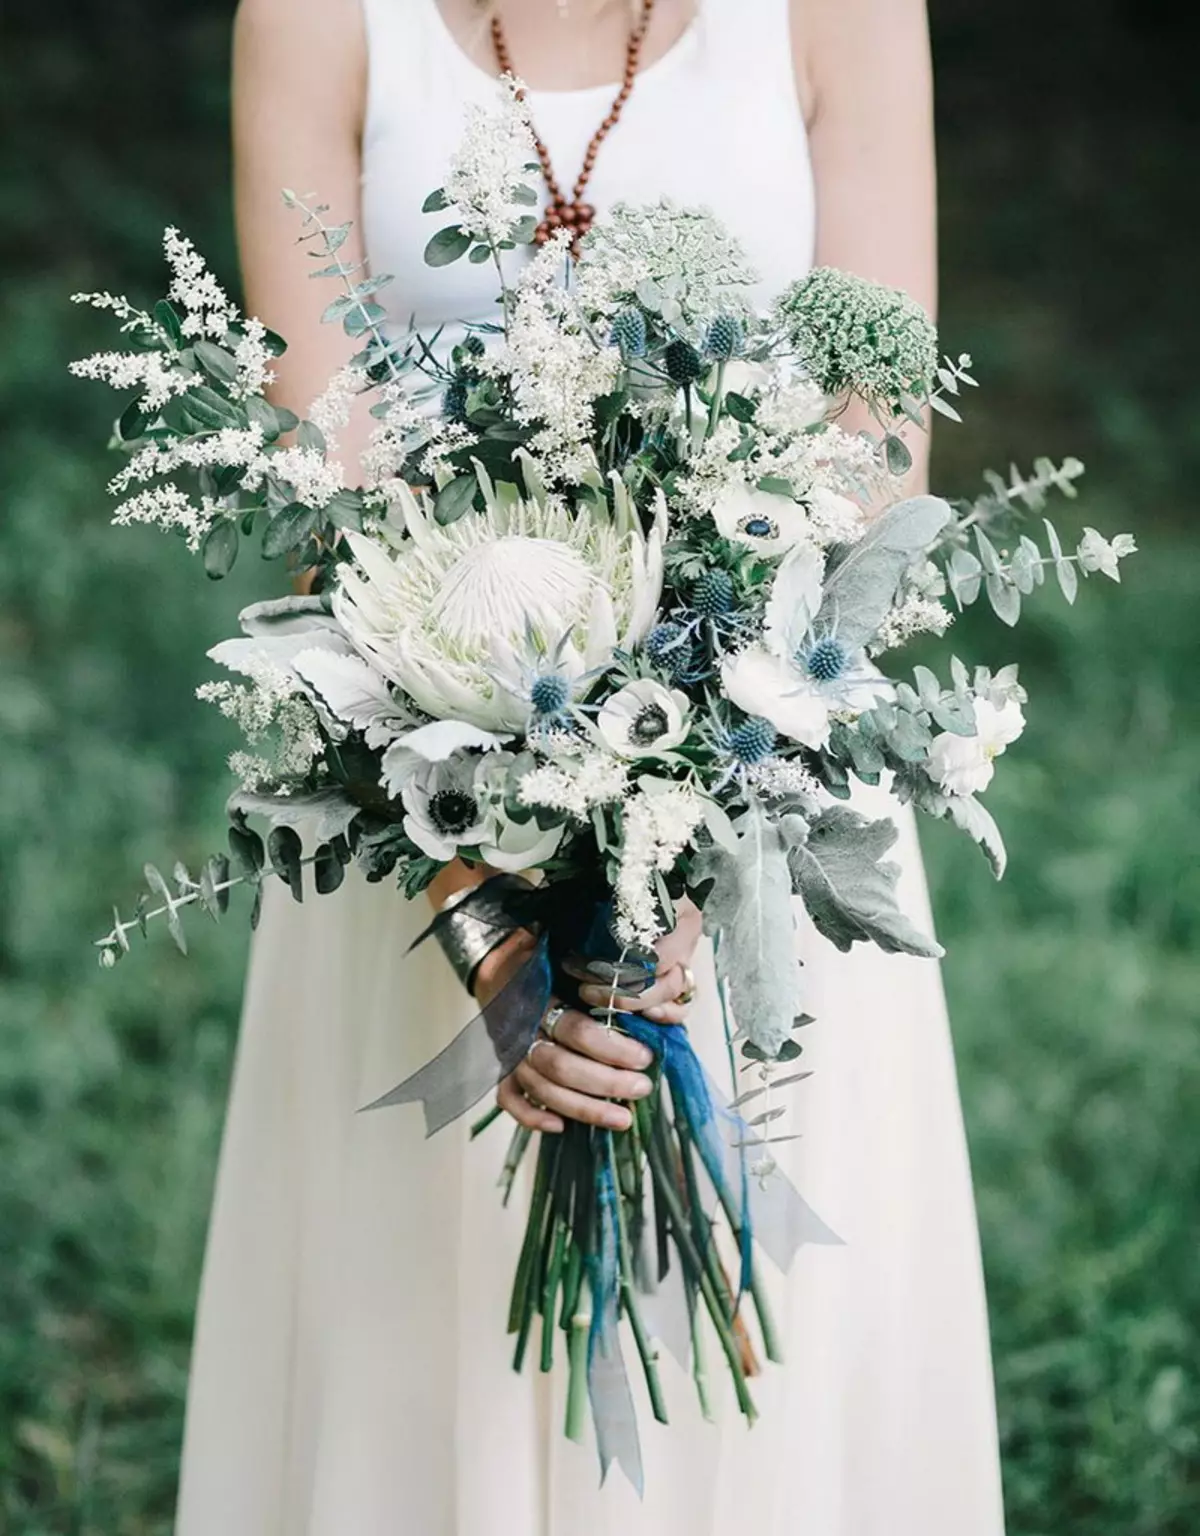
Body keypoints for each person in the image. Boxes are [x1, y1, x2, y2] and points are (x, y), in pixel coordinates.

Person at [176, 2, 1007, 1531]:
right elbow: (325, 498)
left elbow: (875, 452)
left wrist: (690, 833)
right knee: (415, 1373)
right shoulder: (311, 20)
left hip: (759, 790)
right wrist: (493, 924)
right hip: (413, 791)